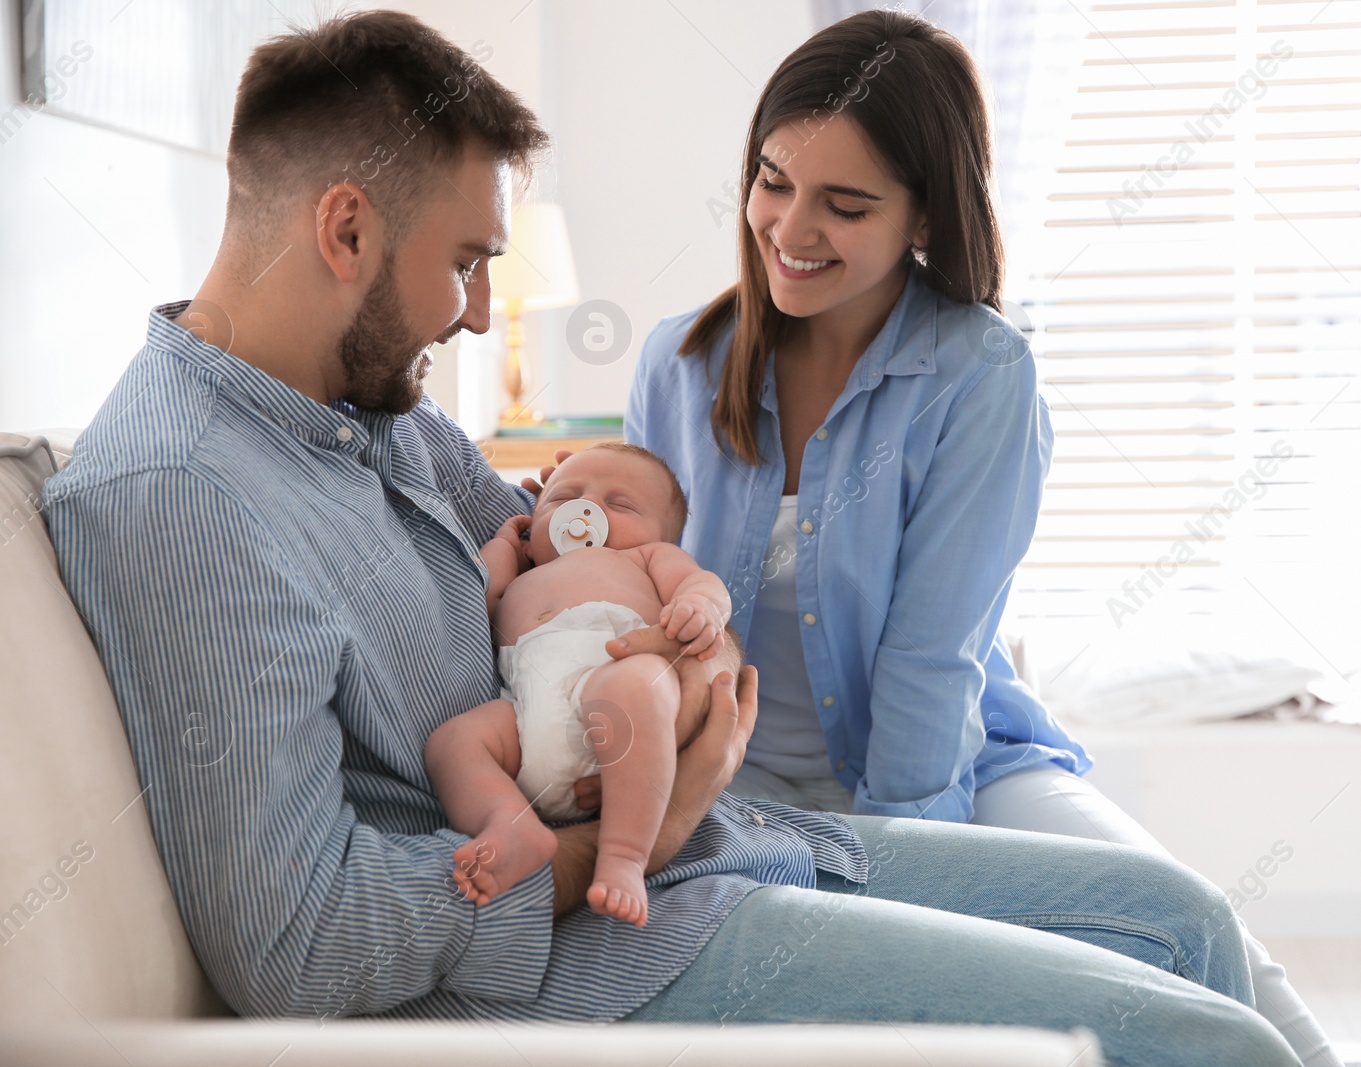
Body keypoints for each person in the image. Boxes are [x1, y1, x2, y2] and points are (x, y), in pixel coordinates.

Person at [38, 11, 1297, 1064]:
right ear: (348, 231)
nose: (481, 316)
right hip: (602, 940)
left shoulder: (366, 408)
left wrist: (688, 710)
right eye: (470, 262)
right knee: (1202, 1041)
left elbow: (567, 542)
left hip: (716, 834)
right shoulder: (182, 496)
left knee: (1185, 920)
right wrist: (625, 832)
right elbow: (298, 942)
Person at [625, 9, 1340, 1066]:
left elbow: (930, 657)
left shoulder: (977, 373)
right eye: (774, 181)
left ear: (923, 214)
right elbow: (636, 589)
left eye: (846, 204)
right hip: (733, 786)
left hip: (946, 757)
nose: (790, 228)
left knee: (1192, 925)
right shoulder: (677, 364)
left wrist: (926, 866)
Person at [425, 443, 731, 927]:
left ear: (665, 534)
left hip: (618, 677)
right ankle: (510, 822)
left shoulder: (648, 556)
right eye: (563, 498)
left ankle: (625, 855)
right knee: (453, 743)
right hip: (528, 715)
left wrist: (702, 607)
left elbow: (702, 583)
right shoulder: (526, 574)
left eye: (621, 504)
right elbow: (480, 599)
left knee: (631, 687)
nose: (586, 511)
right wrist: (506, 545)